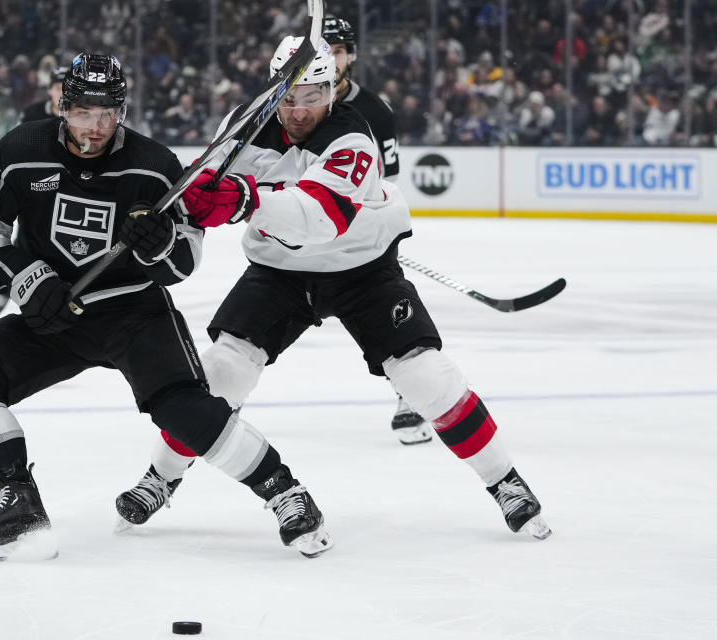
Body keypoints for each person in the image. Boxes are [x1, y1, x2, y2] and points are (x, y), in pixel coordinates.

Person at [115, 36, 552, 542]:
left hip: (362, 269)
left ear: (334, 88)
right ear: (275, 89)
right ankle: (160, 477)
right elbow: (203, 190)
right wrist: (172, 222)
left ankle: (505, 482)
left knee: (424, 375)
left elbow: (319, 218)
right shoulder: (244, 123)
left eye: (314, 96)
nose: (300, 110)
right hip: (279, 273)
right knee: (220, 374)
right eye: (290, 97)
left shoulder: (353, 137)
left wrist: (242, 200)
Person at [0, 53, 332, 562]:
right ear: (63, 104)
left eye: (108, 113)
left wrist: (158, 244)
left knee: (183, 407)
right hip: (54, 311)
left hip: (134, 312)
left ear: (122, 110)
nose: (96, 127)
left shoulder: (155, 165)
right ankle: (18, 502)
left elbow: (183, 263)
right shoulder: (21, 149)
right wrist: (28, 280)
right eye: (84, 113)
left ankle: (285, 492)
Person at [323, 16, 429, 443]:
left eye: (338, 50)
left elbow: (388, 182)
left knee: (388, 314)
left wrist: (372, 224)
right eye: (323, 49)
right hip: (300, 236)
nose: (330, 58)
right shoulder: (290, 104)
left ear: (351, 56)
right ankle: (222, 404)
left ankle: (409, 394)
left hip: (359, 239)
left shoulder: (374, 111)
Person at [0, 66, 71, 316]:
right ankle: (7, 288)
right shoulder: (32, 114)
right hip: (38, 190)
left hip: (70, 190)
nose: (62, 93)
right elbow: (14, 147)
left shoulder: (82, 115)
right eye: (57, 88)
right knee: (26, 239)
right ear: (49, 91)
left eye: (66, 88)